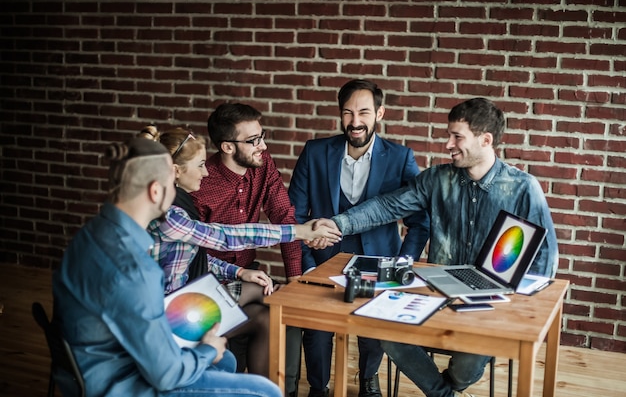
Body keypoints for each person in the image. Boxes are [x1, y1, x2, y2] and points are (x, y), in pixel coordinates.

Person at [313, 97, 559, 397]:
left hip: (492, 305)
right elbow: (387, 206)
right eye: (449, 135)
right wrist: (338, 224)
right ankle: (445, 394)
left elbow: (544, 258)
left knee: (471, 356)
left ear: (486, 140)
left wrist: (519, 309)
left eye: (457, 137)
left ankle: (444, 391)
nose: (448, 144)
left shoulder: (523, 187)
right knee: (384, 330)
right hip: (437, 293)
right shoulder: (436, 179)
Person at [52, 137, 282, 397]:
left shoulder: (90, 233)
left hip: (91, 364)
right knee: (264, 391)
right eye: (171, 179)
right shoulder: (136, 269)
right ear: (155, 191)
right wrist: (206, 350)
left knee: (226, 360)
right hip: (121, 383)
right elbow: (166, 375)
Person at [140, 125, 340, 377]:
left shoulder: (178, 202)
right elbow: (224, 236)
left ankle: (267, 392)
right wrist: (300, 232)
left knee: (264, 317)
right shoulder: (168, 214)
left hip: (186, 303)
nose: (205, 172)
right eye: (200, 165)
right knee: (267, 293)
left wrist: (239, 272)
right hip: (169, 321)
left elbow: (197, 255)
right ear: (176, 171)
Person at [288, 79, 430, 397]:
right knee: (318, 331)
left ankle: (368, 379)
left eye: (364, 112)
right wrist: (307, 265)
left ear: (380, 112)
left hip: (379, 259)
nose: (355, 122)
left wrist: (402, 266)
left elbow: (419, 222)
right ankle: (318, 387)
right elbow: (293, 217)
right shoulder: (314, 152)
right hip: (323, 259)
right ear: (340, 114)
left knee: (371, 329)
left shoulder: (400, 157)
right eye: (348, 113)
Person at [191, 103, 303, 392]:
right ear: (227, 146)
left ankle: (280, 392)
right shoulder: (200, 183)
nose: (262, 146)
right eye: (253, 140)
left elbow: (284, 218)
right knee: (272, 308)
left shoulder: (262, 165)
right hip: (208, 279)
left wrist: (293, 279)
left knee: (281, 311)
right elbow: (199, 252)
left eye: (261, 135)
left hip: (247, 273)